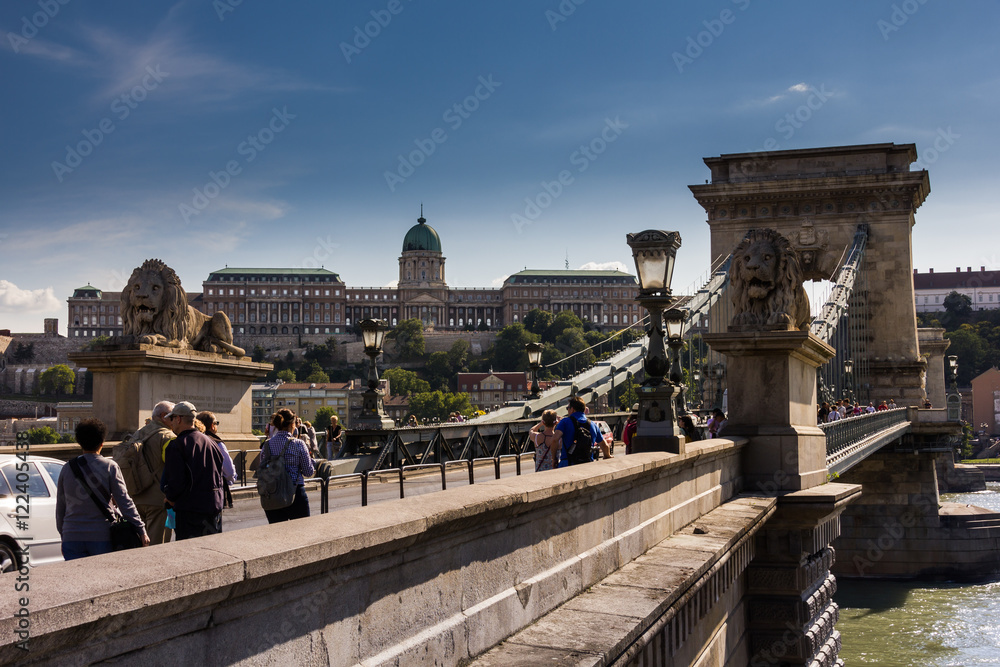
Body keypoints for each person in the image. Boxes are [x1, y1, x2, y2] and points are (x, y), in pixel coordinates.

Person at [56, 419, 149, 560]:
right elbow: (124, 501)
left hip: (72, 535)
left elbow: (61, 508)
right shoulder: (109, 466)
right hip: (100, 535)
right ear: (102, 443)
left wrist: (64, 535)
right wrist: (140, 529)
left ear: (79, 442)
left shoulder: (67, 468)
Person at [161, 401, 225, 540]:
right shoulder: (211, 442)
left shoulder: (177, 445)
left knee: (191, 555)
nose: (171, 423)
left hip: (190, 511)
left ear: (178, 419)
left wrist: (170, 498)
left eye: (172, 418)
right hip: (214, 507)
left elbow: (176, 480)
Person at [119, 400, 175, 545]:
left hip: (135, 497)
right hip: (158, 501)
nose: (177, 420)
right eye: (174, 416)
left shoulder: (137, 434)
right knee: (157, 547)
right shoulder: (168, 437)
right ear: (164, 416)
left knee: (138, 546)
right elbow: (173, 469)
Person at [260, 408, 315, 523]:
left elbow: (262, 468)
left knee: (278, 535)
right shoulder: (298, 444)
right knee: (302, 534)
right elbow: (308, 472)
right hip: (296, 494)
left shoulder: (266, 445)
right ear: (292, 424)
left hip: (272, 495)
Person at [196, 411, 238, 509]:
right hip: (214, 492)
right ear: (212, 425)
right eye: (216, 423)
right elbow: (229, 471)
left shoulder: (192, 441)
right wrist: (231, 480)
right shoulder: (218, 443)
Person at [554, 396, 600, 466]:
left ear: (572, 409)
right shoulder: (593, 424)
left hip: (568, 463)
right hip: (587, 465)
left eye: (567, 408)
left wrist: (554, 458)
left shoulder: (564, 422)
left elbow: (555, 439)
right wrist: (607, 455)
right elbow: (604, 445)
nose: (567, 410)